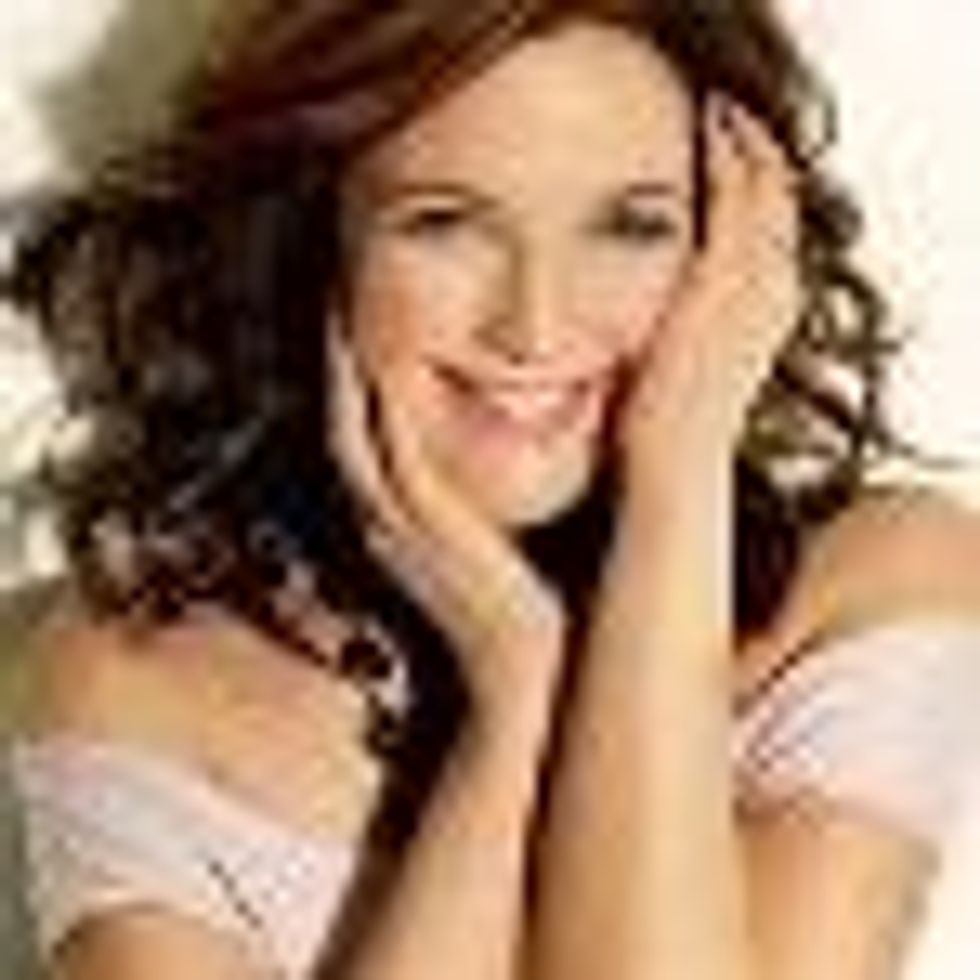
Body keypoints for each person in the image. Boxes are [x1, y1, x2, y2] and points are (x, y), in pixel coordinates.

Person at [6, 1, 980, 978]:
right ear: (313, 246)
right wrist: (510, 701)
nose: (534, 326)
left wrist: (677, 479)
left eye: (631, 226)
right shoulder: (135, 682)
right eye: (445, 223)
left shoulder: (873, 586)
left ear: (731, 256)